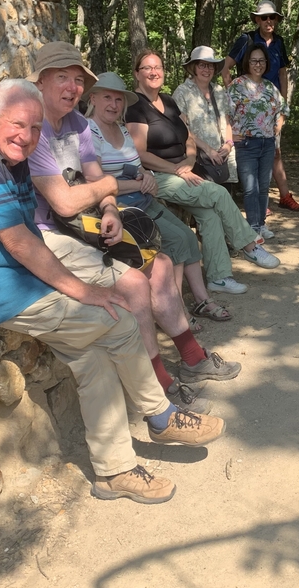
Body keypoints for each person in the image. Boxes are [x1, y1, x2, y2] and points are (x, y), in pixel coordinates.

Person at [0, 78, 226, 505]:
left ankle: (114, 471)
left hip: (13, 275)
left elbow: (29, 233)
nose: (26, 137)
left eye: (33, 128)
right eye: (17, 125)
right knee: (115, 322)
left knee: (92, 354)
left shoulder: (5, 155)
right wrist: (81, 289)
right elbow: (21, 242)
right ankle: (160, 414)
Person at [25, 42, 240, 399]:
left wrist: (109, 207)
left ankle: (191, 357)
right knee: (139, 280)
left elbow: (97, 180)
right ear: (40, 83)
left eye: (77, 79)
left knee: (163, 260)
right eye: (61, 77)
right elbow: (65, 202)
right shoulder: (36, 129)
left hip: (90, 220)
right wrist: (110, 188)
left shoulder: (76, 123)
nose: (71, 87)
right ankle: (157, 381)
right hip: (49, 231)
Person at [125, 49, 280, 293]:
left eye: (158, 67)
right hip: (157, 176)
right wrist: (177, 170)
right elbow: (140, 153)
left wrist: (188, 161)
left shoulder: (168, 101)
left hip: (183, 171)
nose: (154, 72)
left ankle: (219, 277)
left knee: (209, 216)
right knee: (218, 194)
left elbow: (187, 136)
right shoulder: (135, 106)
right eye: (147, 68)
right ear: (137, 73)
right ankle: (250, 246)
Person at [85, 71, 232, 326]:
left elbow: (136, 162)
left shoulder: (121, 128)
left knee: (186, 236)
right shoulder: (89, 132)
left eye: (119, 100)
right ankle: (175, 313)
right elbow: (96, 182)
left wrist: (147, 175)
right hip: (118, 206)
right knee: (173, 241)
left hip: (142, 197)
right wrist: (139, 182)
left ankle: (201, 299)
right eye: (107, 97)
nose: (113, 104)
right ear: (93, 99)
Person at [221, 0, 299, 212]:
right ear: (257, 19)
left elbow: (282, 74)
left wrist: (282, 109)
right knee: (249, 152)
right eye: (264, 17)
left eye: (272, 17)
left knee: (274, 151)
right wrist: (238, 100)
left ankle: (282, 196)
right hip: (247, 114)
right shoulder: (246, 39)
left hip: (271, 109)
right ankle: (256, 200)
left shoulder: (279, 42)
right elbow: (225, 68)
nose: (269, 21)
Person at [227, 44, 289, 239]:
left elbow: (283, 109)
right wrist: (230, 136)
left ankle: (261, 225)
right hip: (246, 144)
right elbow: (225, 114)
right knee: (250, 187)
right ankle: (252, 228)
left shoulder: (270, 87)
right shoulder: (237, 85)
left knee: (263, 186)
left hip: (267, 143)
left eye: (261, 61)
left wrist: (278, 125)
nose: (258, 64)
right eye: (254, 60)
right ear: (247, 62)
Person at [172, 45, 237, 189]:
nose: (206, 70)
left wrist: (228, 144)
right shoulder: (182, 92)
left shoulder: (219, 91)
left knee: (225, 201)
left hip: (223, 159)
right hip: (197, 160)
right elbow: (182, 128)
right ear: (194, 67)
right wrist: (208, 149)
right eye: (202, 65)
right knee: (204, 201)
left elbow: (227, 123)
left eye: (210, 66)